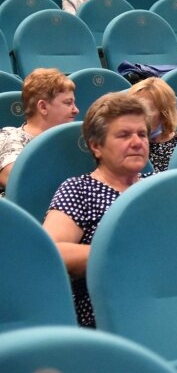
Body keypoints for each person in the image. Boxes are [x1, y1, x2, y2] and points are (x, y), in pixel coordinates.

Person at [42, 93, 151, 327]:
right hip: (107, 311)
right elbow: (53, 251)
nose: (137, 142)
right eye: (124, 135)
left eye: (142, 134)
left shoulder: (159, 185)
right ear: (96, 146)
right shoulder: (79, 189)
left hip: (170, 302)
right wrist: (127, 258)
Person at [0, 68, 79, 194]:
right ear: (43, 107)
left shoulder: (74, 140)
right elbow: (20, 183)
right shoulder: (9, 137)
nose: (76, 110)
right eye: (68, 103)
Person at [128, 77, 177, 172]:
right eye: (131, 110)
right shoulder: (128, 148)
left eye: (144, 110)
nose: (134, 116)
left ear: (164, 114)